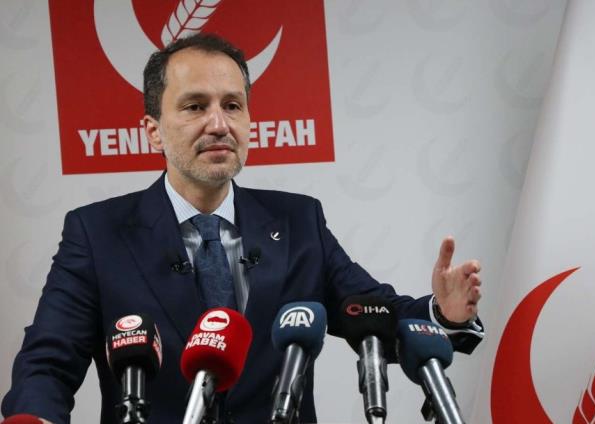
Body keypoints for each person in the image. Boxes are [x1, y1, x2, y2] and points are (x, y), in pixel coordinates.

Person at [2, 34, 483, 424]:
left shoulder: (299, 221)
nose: (218, 124)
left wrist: (442, 312)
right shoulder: (96, 233)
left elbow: (370, 313)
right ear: (153, 130)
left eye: (232, 105)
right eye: (195, 106)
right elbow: (48, 361)